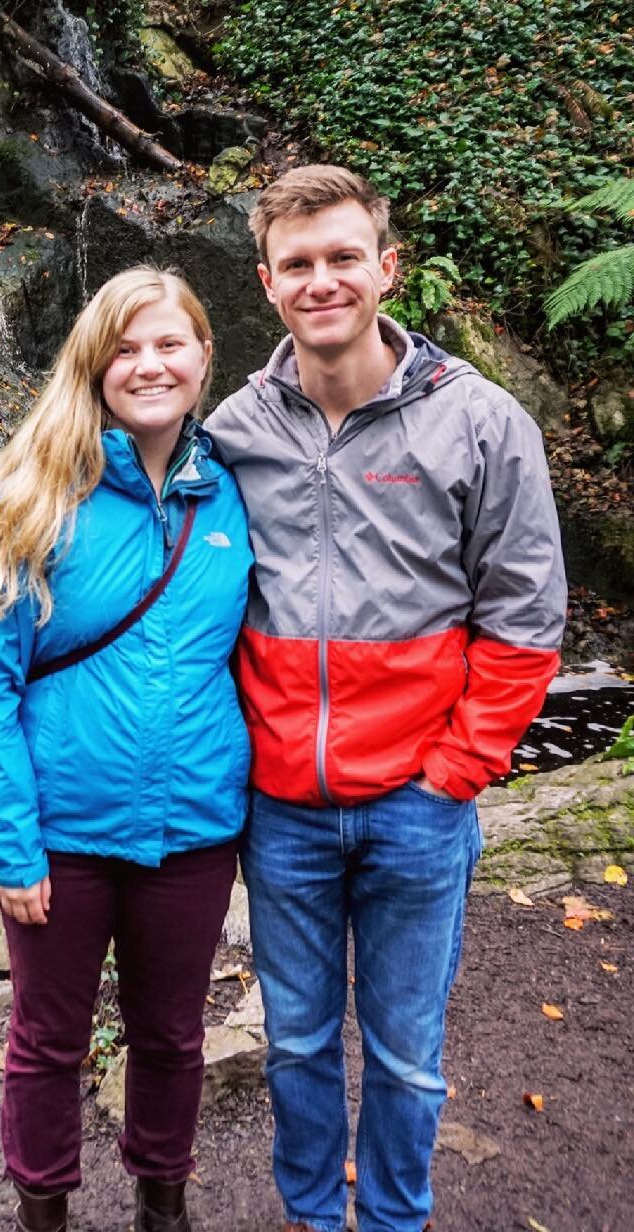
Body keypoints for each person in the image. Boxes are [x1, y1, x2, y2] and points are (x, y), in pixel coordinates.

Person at [205, 165, 566, 1232]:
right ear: (268, 282)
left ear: (386, 267)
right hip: (283, 810)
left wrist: (458, 768)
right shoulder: (236, 429)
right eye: (299, 265)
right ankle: (317, 1218)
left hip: (420, 801)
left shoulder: (484, 423)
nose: (323, 282)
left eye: (343, 258)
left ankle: (397, 1221)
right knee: (299, 1042)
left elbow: (526, 617)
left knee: (408, 1056)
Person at [0, 265, 254, 1232]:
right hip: (63, 835)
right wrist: (12, 846)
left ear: (205, 356)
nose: (149, 365)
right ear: (93, 363)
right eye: (125, 347)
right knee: (48, 1041)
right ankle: (46, 1213)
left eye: (170, 344)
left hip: (193, 828)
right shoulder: (34, 493)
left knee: (172, 1035)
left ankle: (164, 1208)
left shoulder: (235, 495)